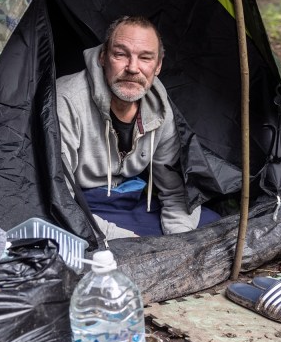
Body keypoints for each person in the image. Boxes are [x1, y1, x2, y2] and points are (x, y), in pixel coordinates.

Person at [56, 16, 219, 239]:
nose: (133, 68)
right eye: (121, 54)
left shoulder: (160, 108)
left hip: (130, 199)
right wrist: (130, 243)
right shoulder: (67, 99)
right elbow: (59, 199)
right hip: (82, 205)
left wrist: (179, 240)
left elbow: (175, 192)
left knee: (213, 229)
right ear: (103, 57)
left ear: (158, 66)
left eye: (145, 58)